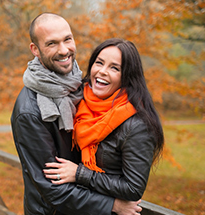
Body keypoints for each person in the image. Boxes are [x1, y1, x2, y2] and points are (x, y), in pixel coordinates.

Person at [11, 13, 142, 215]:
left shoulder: (79, 86)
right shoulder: (30, 112)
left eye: (67, 39)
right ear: (35, 50)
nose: (64, 50)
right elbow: (52, 188)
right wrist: (113, 205)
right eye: (52, 43)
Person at [44, 38, 164, 202]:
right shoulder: (80, 101)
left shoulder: (137, 125)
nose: (102, 71)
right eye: (99, 63)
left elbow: (133, 188)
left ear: (127, 77)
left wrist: (79, 174)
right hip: (79, 205)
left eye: (114, 68)